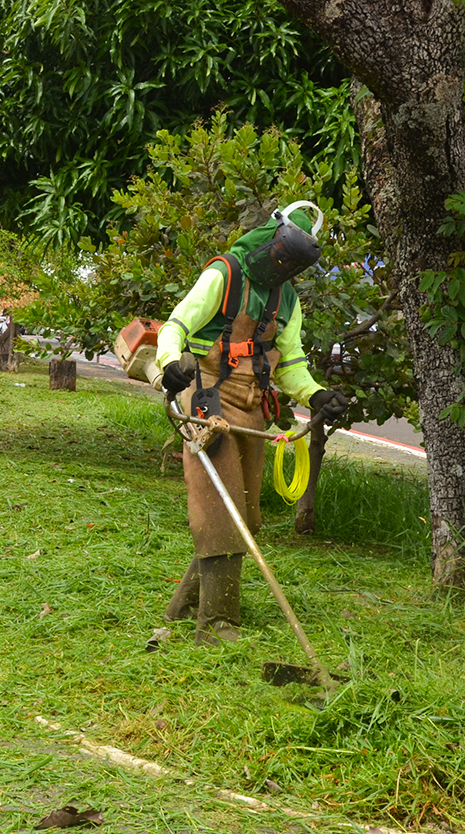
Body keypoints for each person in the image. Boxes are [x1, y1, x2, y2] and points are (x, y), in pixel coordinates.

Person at [155, 201, 348, 645]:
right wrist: (170, 364)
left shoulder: (287, 298)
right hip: (205, 397)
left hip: (252, 403)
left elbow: (291, 362)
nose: (282, 265)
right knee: (221, 510)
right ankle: (217, 624)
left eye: (294, 263)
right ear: (270, 237)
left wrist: (316, 393)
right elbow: (176, 325)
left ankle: (183, 605)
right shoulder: (225, 274)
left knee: (246, 515)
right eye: (282, 253)